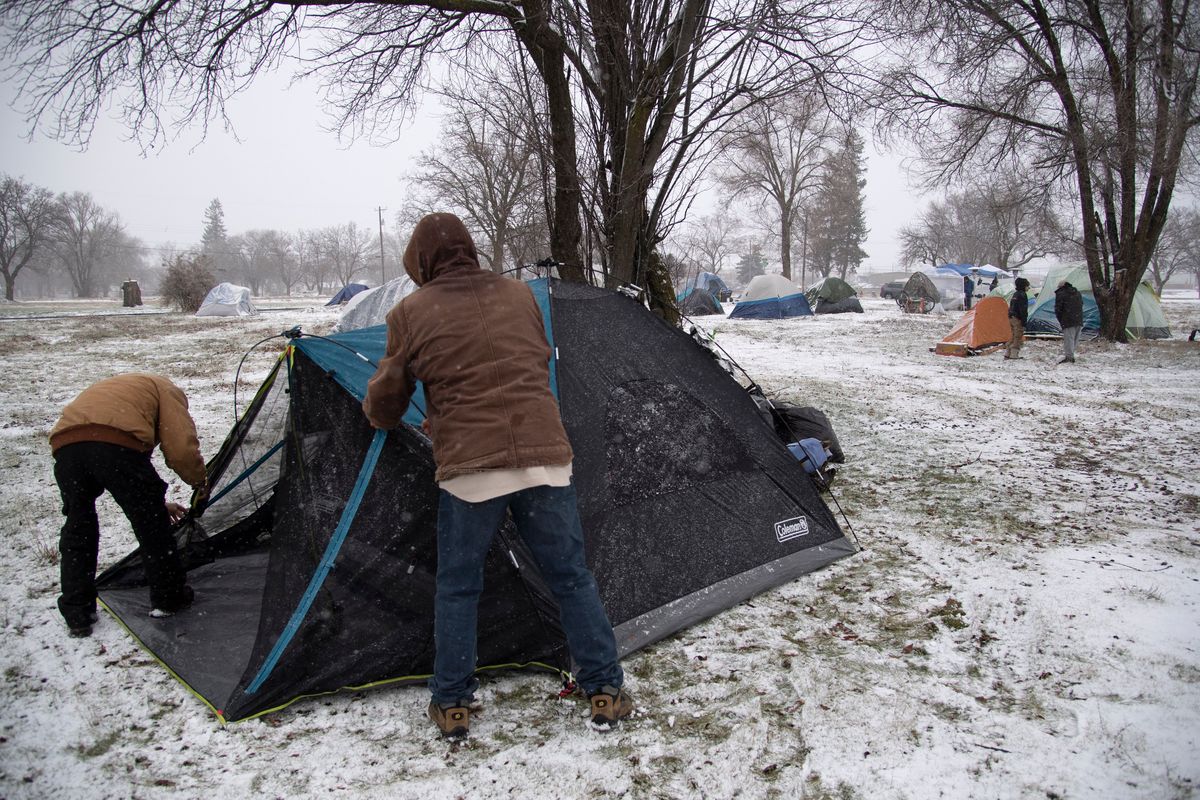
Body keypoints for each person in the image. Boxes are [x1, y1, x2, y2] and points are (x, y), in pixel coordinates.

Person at [362, 212, 632, 738]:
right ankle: (603, 690)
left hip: (471, 468)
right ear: (469, 249)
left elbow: (387, 401)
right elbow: (523, 363)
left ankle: (453, 704)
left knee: (459, 587)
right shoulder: (519, 294)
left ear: (420, 262)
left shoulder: (408, 312)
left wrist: (412, 412)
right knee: (571, 578)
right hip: (544, 455)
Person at [49, 373, 206, 637]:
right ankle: (169, 598)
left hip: (66, 447)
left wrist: (157, 502)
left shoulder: (121, 389)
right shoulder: (166, 390)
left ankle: (78, 611)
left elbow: (109, 461)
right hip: (114, 446)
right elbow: (180, 447)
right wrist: (198, 481)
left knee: (79, 525)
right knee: (151, 525)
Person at [1054, 280, 1084, 363]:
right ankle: (1071, 354)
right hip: (1079, 318)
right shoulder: (1077, 292)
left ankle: (1069, 357)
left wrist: (1061, 319)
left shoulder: (1061, 294)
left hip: (1068, 319)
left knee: (1069, 338)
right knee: (1075, 338)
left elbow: (1058, 309)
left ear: (1061, 287)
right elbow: (1081, 304)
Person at [1005, 277, 1031, 360]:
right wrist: (1024, 322)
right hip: (1018, 318)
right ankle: (1014, 354)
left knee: (1013, 335)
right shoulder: (1022, 295)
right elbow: (1023, 310)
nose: (1028, 288)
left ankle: (1008, 352)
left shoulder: (1015, 294)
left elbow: (1012, 306)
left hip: (1011, 317)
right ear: (1023, 286)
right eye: (1027, 286)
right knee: (1018, 336)